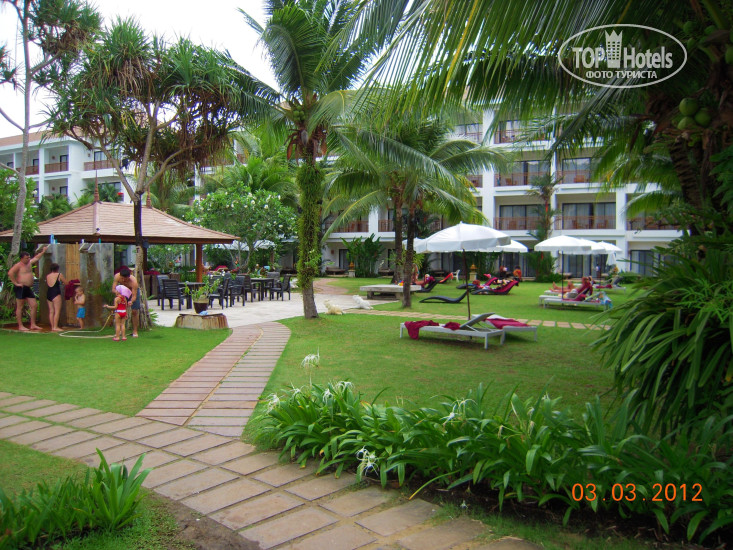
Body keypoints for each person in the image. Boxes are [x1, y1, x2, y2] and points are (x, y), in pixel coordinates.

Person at [8, 246, 48, 331]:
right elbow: (10, 273)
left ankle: (33, 324)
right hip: (21, 287)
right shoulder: (18, 265)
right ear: (22, 258)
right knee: (20, 306)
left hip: (28, 288)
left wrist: (43, 251)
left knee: (34, 305)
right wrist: (16, 283)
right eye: (26, 258)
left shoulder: (29, 263)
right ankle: (20, 326)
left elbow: (36, 258)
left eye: (29, 257)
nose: (28, 259)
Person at [112, 266, 140, 337]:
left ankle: (135, 331)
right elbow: (113, 289)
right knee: (120, 310)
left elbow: (134, 296)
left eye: (125, 278)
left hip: (132, 292)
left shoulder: (134, 282)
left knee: (134, 311)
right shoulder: (117, 276)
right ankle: (119, 330)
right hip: (122, 292)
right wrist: (117, 292)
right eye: (122, 278)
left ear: (128, 277)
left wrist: (131, 301)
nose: (123, 280)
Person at [45, 263, 66, 332]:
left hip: (49, 293)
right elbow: (66, 283)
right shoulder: (59, 274)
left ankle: (52, 327)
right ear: (57, 268)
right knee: (57, 311)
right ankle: (55, 326)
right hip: (56, 293)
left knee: (51, 311)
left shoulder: (48, 276)